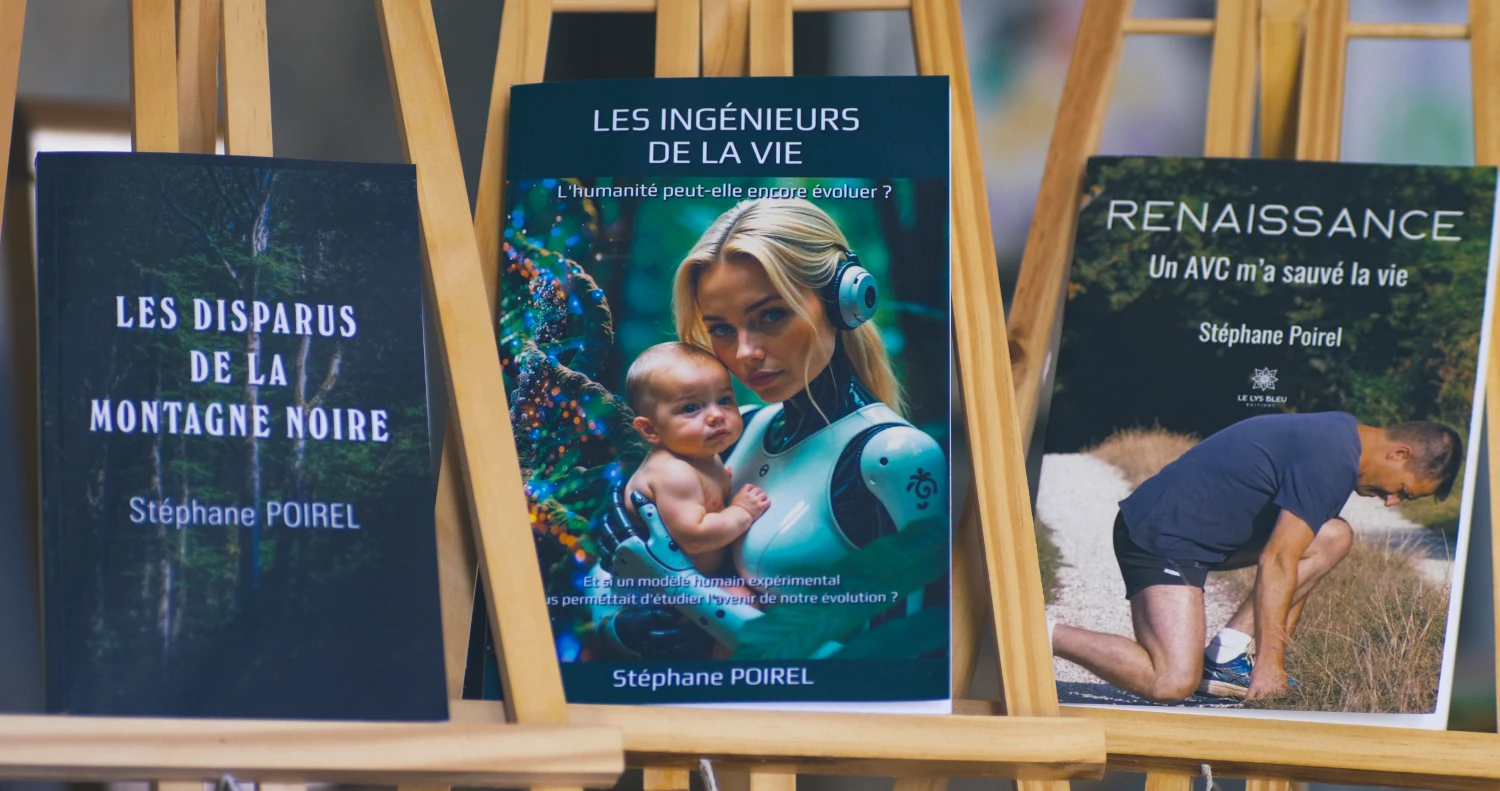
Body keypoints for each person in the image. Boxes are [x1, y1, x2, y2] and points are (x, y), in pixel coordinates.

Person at [595, 197, 948, 658]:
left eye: (771, 316)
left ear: (844, 303)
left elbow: (908, 657)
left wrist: (682, 591)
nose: (744, 353)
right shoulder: (741, 430)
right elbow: (612, 566)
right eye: (721, 329)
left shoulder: (894, 457)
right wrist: (620, 628)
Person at [1050, 411, 1463, 703]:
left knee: (1333, 536)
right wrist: (1270, 664)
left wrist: (1270, 655)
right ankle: (1038, 631)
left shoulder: (1345, 437)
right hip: (1160, 534)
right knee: (1172, 681)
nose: (1392, 502)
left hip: (1205, 537)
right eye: (1403, 491)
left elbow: (1289, 553)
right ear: (1400, 454)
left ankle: (1228, 658)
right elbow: (1277, 559)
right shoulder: (1331, 458)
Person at [622, 342, 771, 579]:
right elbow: (695, 537)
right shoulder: (673, 473)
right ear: (650, 429)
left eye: (724, 400)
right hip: (674, 591)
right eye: (691, 407)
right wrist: (742, 512)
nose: (716, 415)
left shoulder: (699, 456)